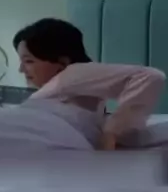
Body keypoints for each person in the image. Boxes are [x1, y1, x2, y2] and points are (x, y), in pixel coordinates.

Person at [13, 18, 166, 150]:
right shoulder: (65, 85)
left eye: (29, 61)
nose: (21, 69)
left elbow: (150, 76)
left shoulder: (71, 74)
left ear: (62, 62)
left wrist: (112, 133)